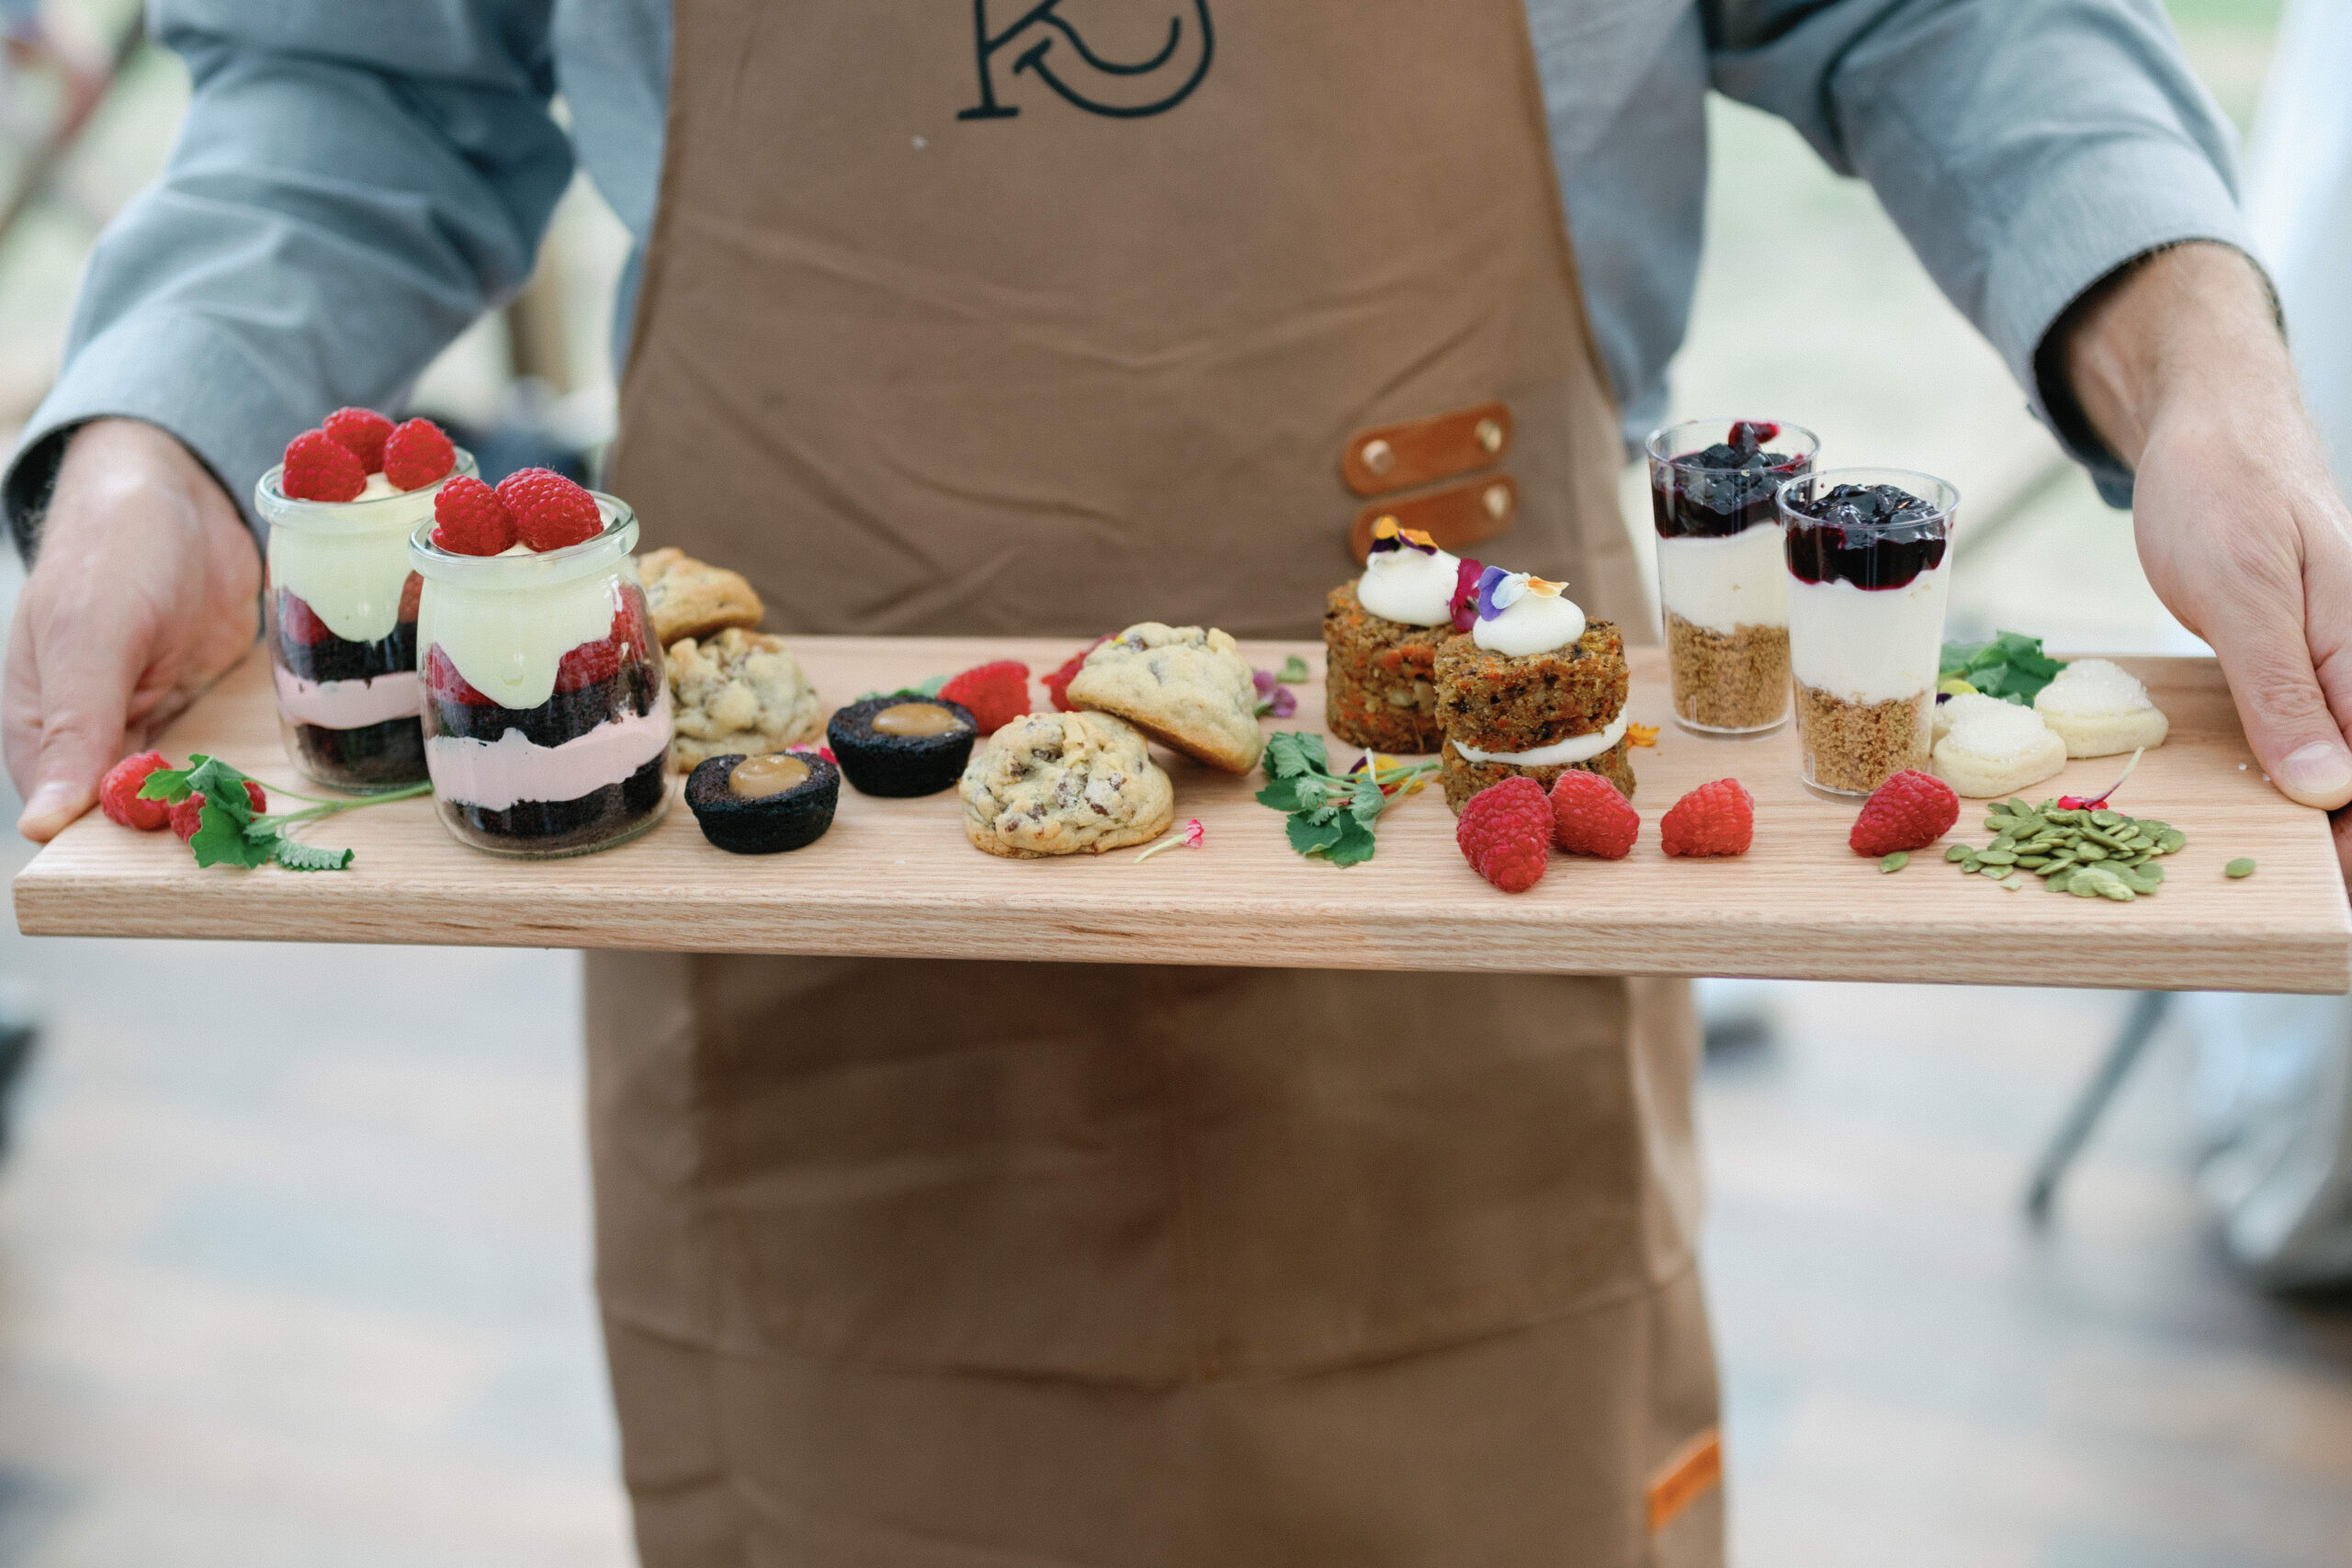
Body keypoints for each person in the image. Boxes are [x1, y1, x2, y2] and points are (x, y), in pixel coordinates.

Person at [6, 4, 2349, 1564]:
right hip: (804, 927)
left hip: (1468, 862)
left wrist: (2195, 352)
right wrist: (168, 429)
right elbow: (369, 67)